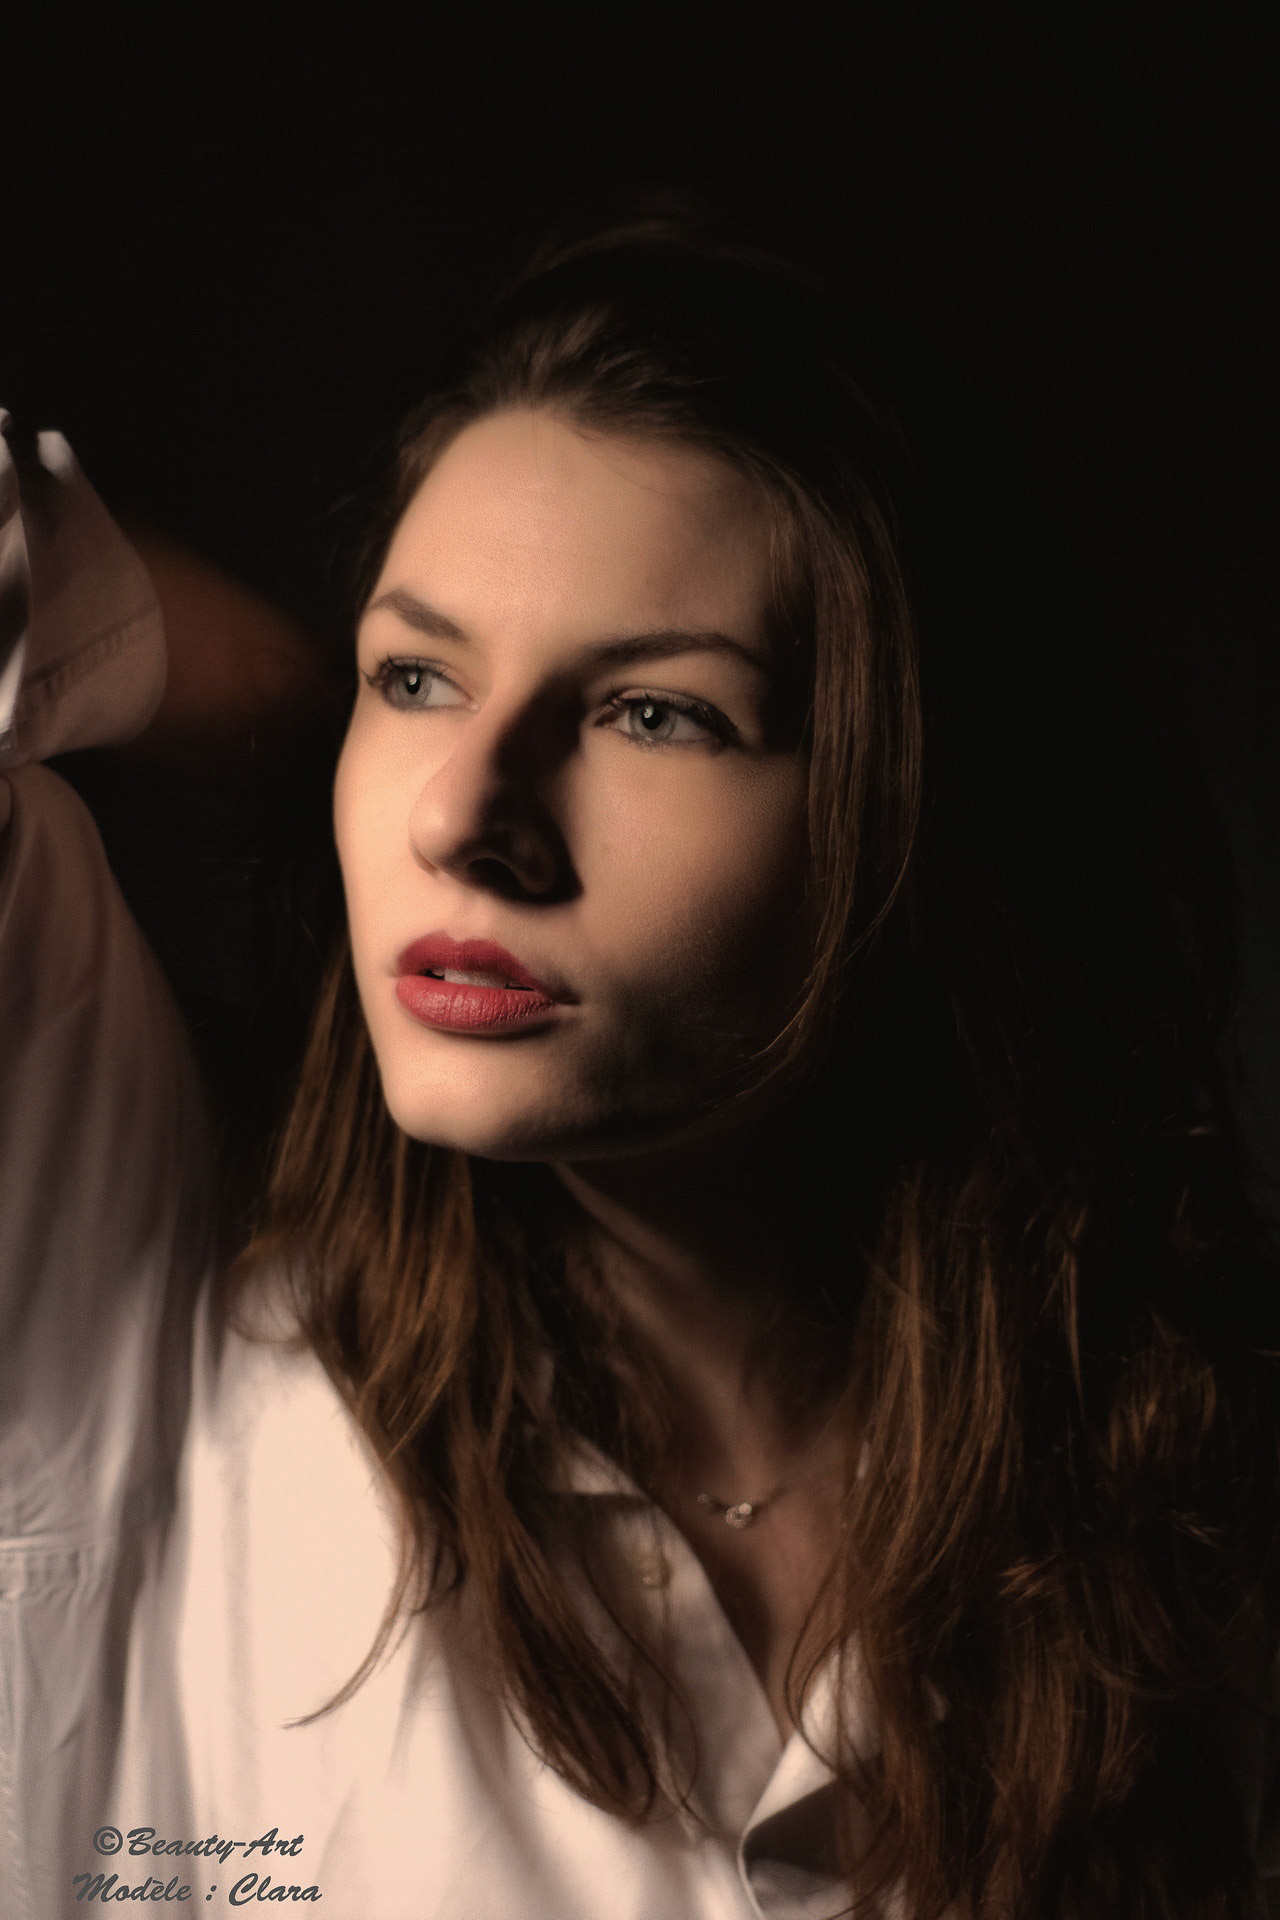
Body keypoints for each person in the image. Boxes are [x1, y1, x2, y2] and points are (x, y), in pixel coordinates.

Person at [3, 223, 1279, 1920]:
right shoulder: (139, 1283)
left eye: (655, 713)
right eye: (417, 676)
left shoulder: (1176, 1506)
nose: (462, 814)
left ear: (908, 824)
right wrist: (306, 731)